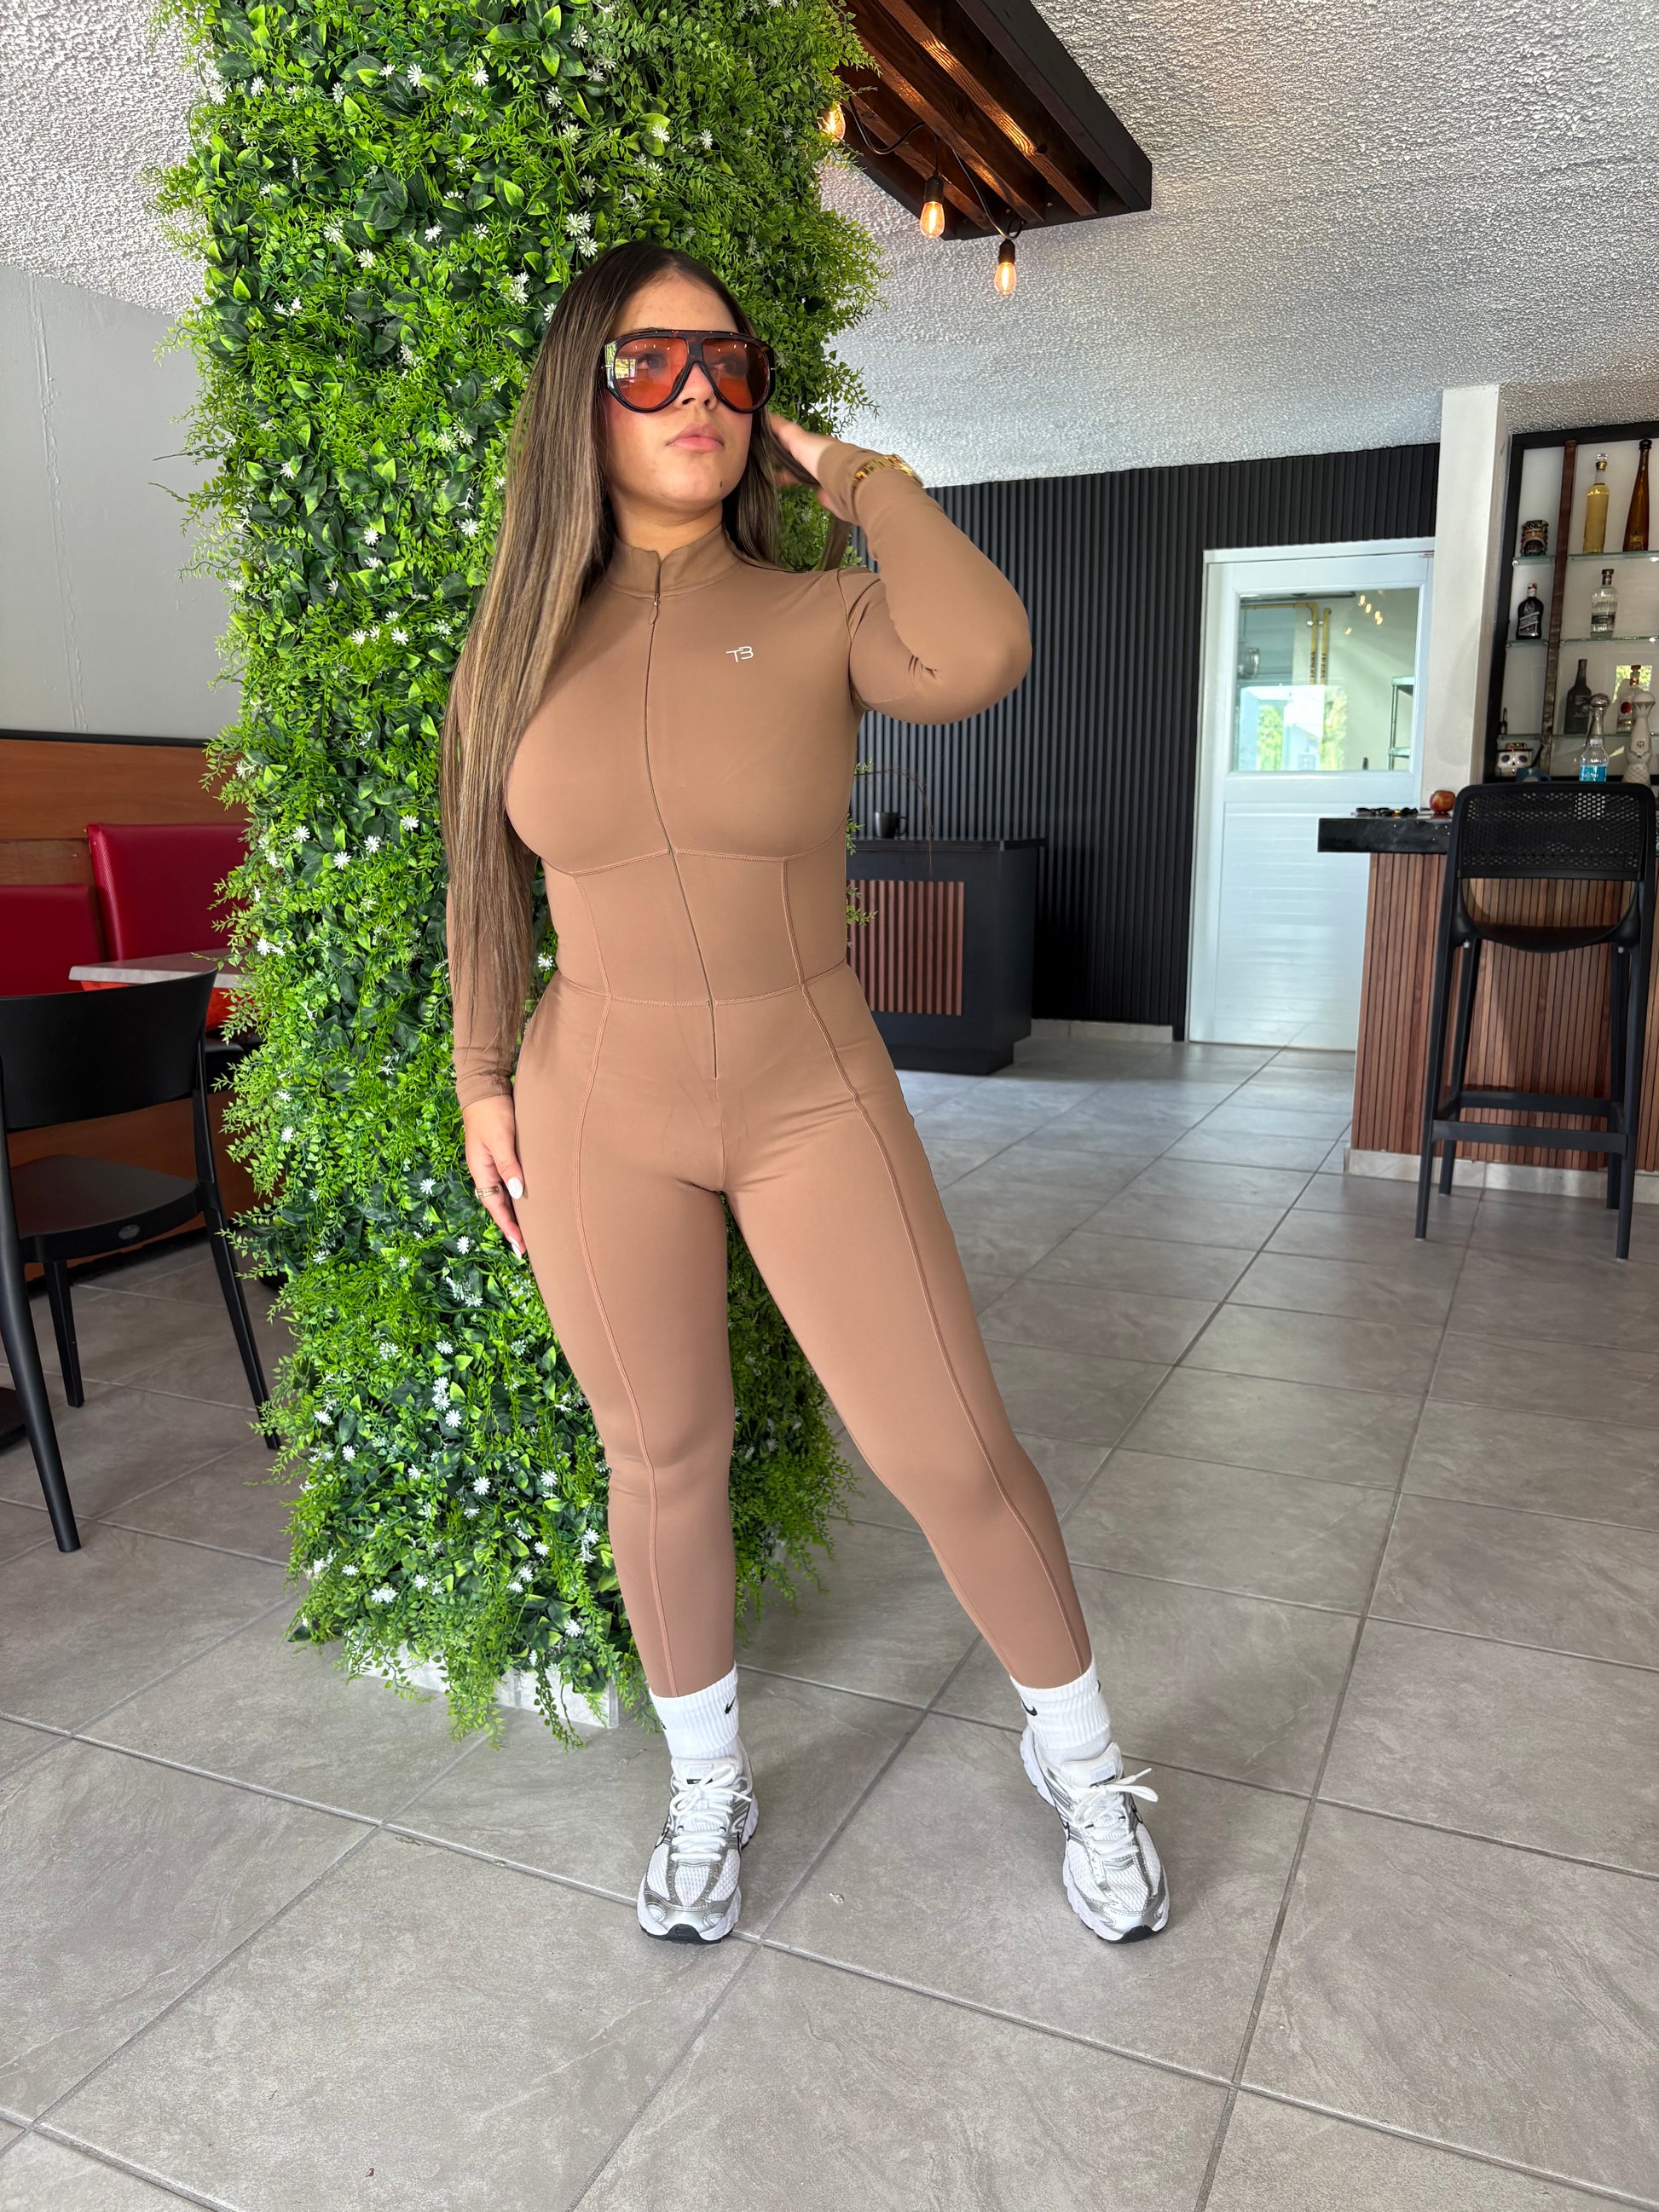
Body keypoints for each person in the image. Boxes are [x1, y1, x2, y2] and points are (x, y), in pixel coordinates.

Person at [441, 239, 1168, 1948]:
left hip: (806, 1091)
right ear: (579, 400)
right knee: (659, 1454)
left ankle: (1083, 1759)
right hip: (593, 1102)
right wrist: (482, 1076)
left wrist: (860, 479)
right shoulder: (514, 645)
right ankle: (707, 1784)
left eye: (727, 364)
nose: (693, 393)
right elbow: (482, 879)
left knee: (949, 1449)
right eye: (646, 364)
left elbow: (982, 646)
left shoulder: (820, 613)